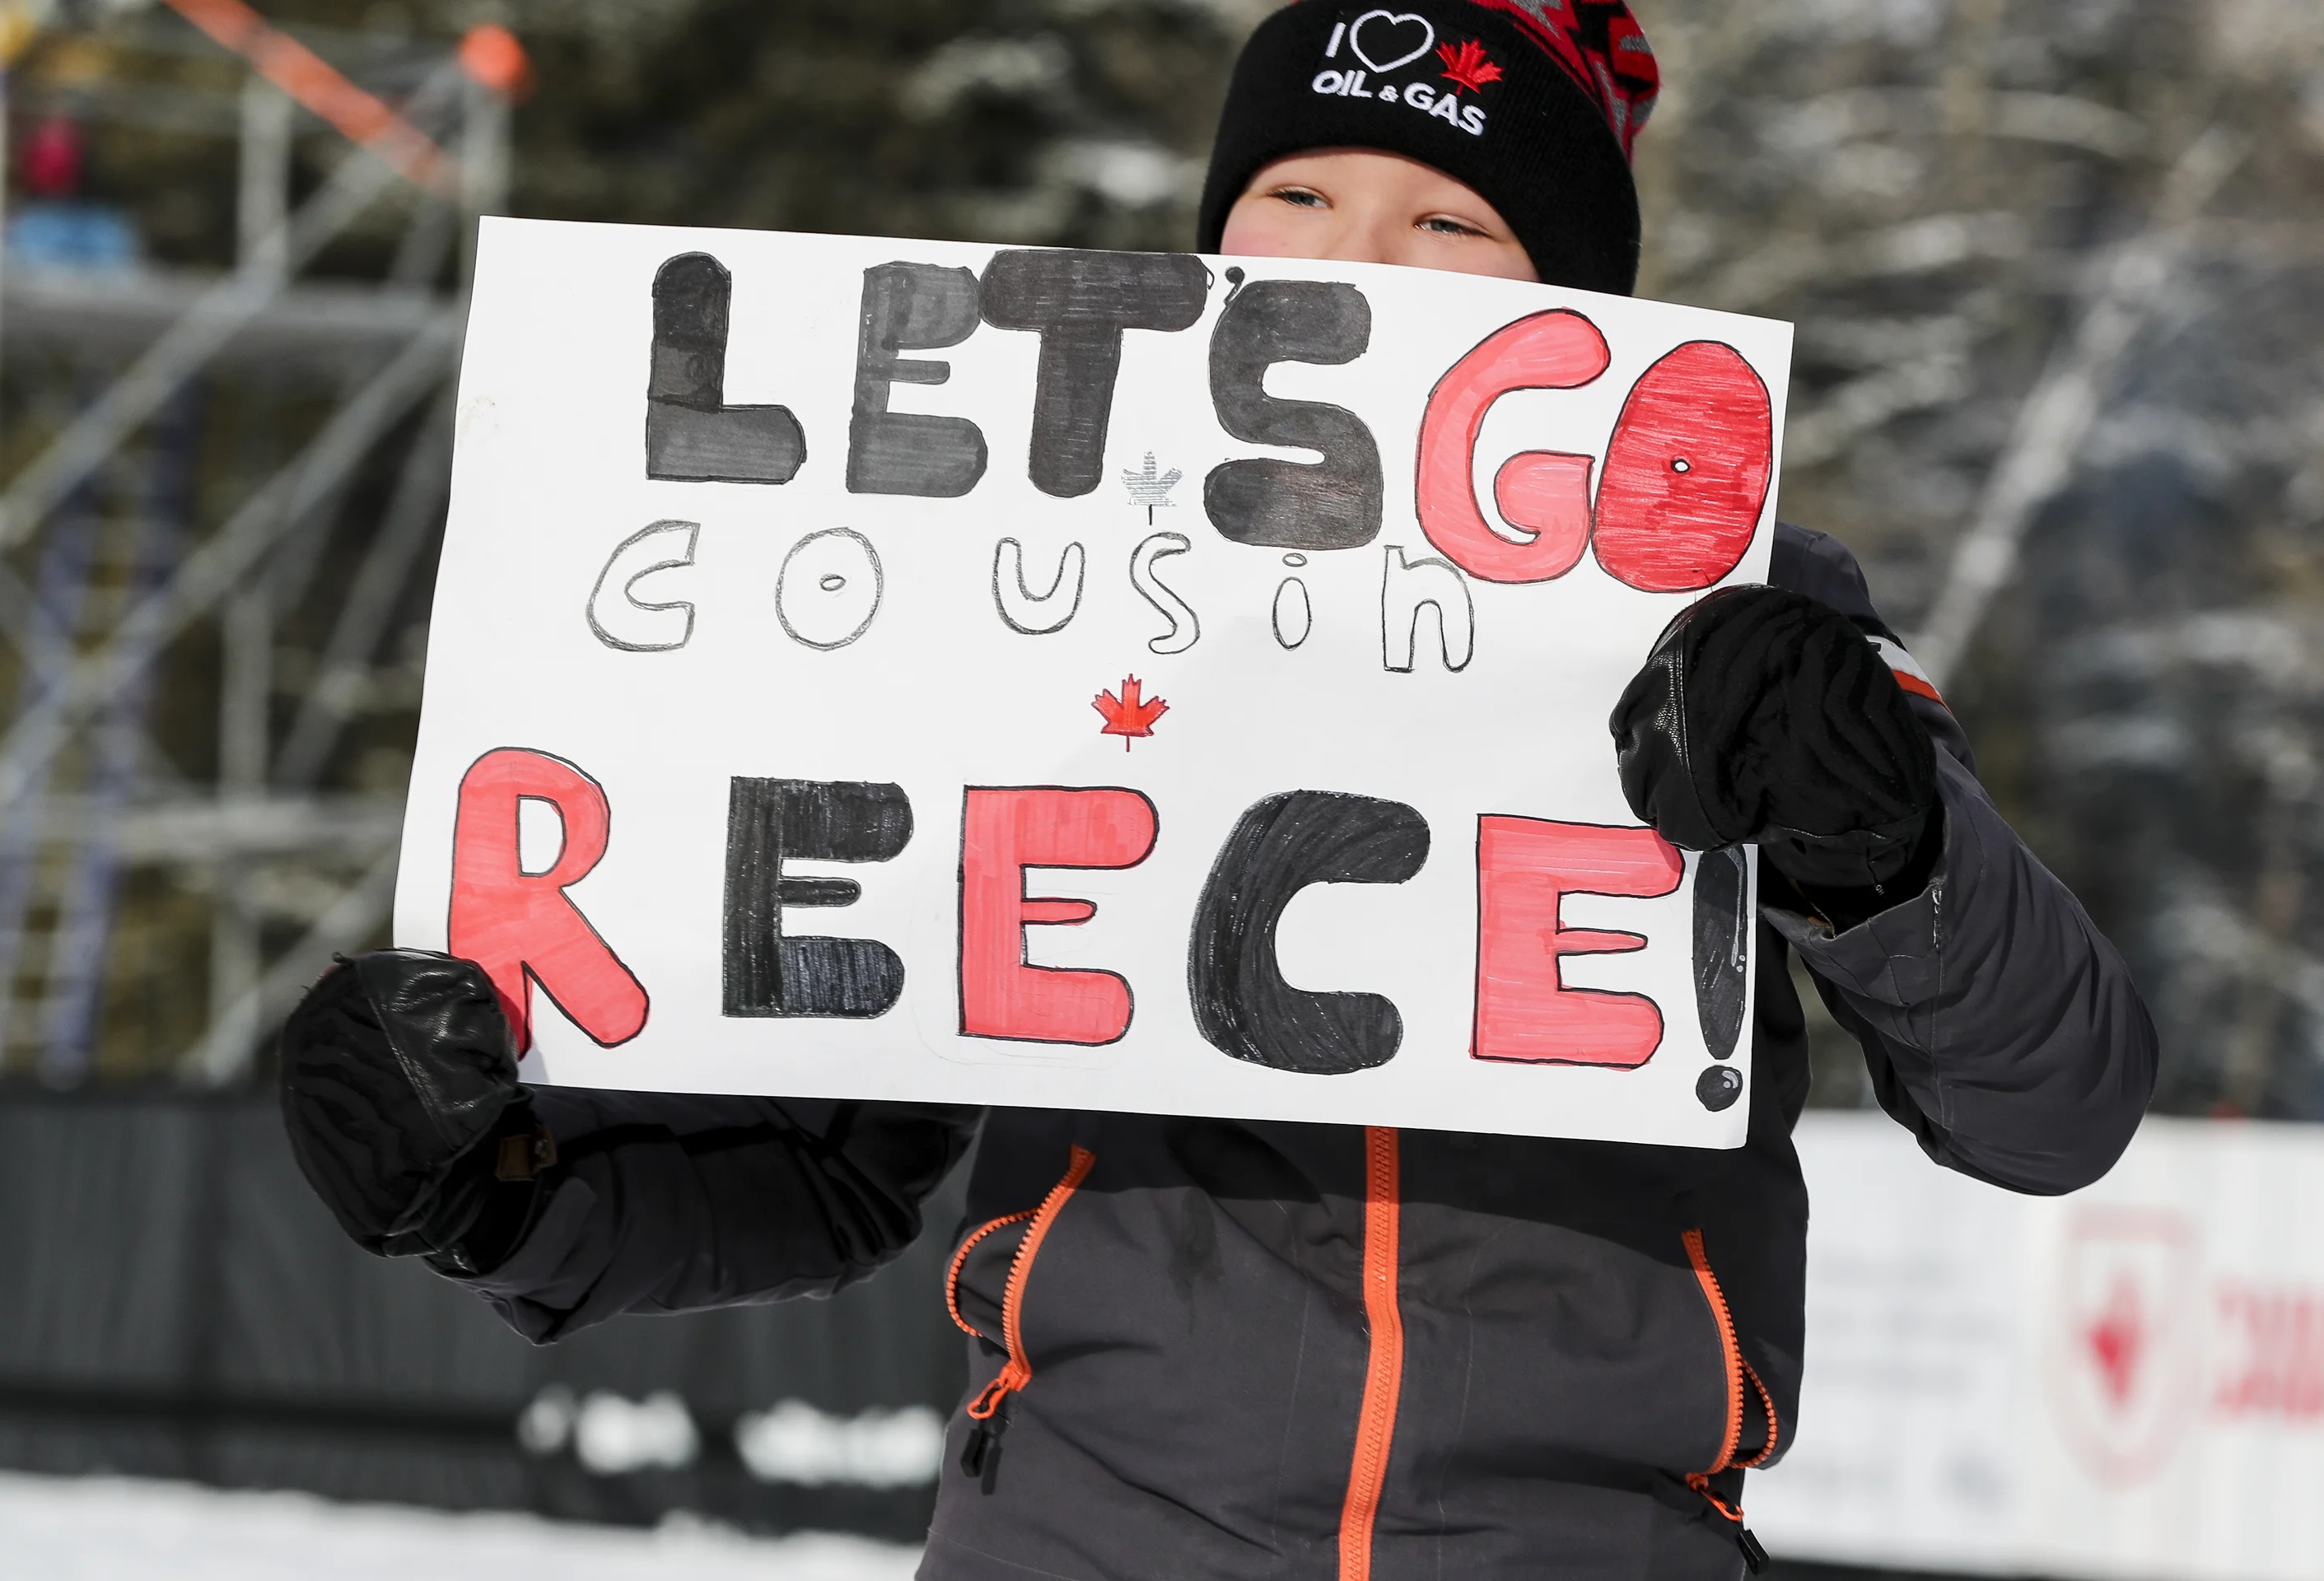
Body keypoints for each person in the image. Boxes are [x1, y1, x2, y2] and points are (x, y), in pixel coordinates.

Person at [275, 2, 2156, 1576]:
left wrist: (1877, 845)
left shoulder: (1749, 613)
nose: (1352, 262)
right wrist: (507, 1180)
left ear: (1575, 301)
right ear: (1211, 243)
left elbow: (2050, 1104)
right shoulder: (1029, 584)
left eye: (1451, 224)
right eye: (1302, 192)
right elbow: (835, 1157)